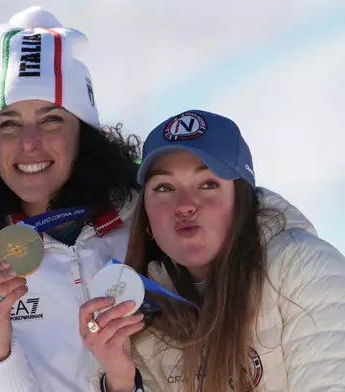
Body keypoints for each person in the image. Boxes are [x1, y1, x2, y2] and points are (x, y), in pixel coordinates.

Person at [0, 6, 142, 392]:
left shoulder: (146, 221)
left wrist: (122, 382)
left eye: (51, 118)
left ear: (83, 131)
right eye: (9, 124)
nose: (29, 144)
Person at [81, 110, 345, 392]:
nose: (185, 205)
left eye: (208, 184)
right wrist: (121, 381)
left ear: (242, 201)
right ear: (145, 214)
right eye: (165, 187)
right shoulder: (138, 305)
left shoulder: (305, 269)